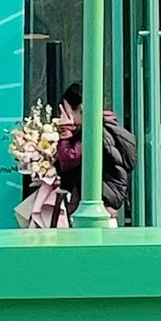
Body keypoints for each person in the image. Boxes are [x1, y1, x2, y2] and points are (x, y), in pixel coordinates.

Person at [54, 83, 137, 220]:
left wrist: (65, 131)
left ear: (80, 109)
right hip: (107, 200)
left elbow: (69, 158)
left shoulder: (93, 131)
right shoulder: (107, 126)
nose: (63, 116)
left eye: (66, 111)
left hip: (100, 202)